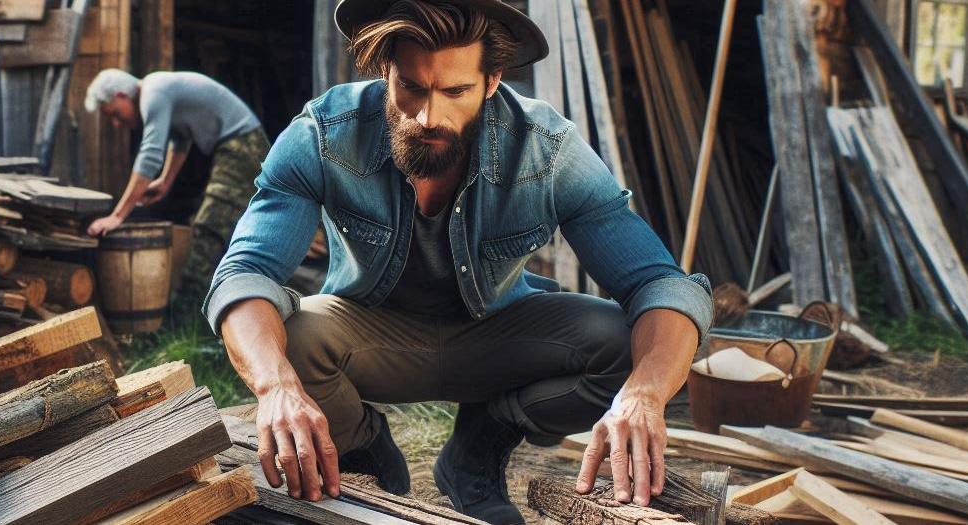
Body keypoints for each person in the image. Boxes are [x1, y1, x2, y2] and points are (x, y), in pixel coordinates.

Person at [203, 1, 714, 523]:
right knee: (294, 338)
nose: (429, 117)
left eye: (455, 92)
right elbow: (244, 273)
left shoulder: (546, 150)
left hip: (497, 336)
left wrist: (646, 393)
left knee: (626, 344)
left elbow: (660, 283)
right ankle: (366, 456)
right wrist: (275, 386)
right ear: (386, 70)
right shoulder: (324, 133)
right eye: (412, 88)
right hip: (369, 339)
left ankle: (478, 449)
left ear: (492, 80)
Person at [82, 70, 269, 289]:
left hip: (243, 147)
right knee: (224, 223)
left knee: (209, 226)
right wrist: (165, 181)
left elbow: (150, 155)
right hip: (239, 145)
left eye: (114, 113)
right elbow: (180, 140)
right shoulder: (158, 88)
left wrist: (117, 216)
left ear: (122, 95)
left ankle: (188, 309)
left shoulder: (154, 93)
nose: (116, 123)